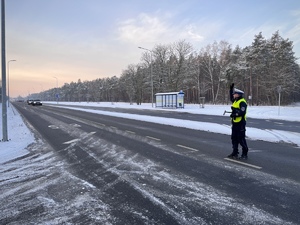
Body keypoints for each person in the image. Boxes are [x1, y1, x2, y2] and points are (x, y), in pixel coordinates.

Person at [227, 83, 249, 159]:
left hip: (241, 123)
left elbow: (242, 112)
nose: (233, 94)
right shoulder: (236, 101)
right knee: (234, 138)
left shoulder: (242, 102)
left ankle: (244, 153)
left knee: (241, 138)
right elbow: (231, 98)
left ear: (238, 94)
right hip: (235, 123)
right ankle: (235, 152)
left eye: (234, 93)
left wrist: (235, 114)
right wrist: (230, 90)